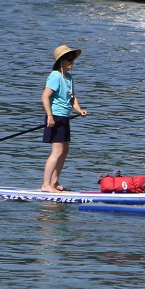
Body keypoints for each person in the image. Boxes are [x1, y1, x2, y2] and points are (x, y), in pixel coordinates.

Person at [41, 44, 87, 193]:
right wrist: (49, 116)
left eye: (72, 59)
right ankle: (46, 185)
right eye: (68, 59)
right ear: (60, 61)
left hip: (64, 117)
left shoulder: (69, 77)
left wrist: (79, 110)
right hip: (55, 117)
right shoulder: (55, 76)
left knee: (64, 150)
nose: (71, 62)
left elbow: (72, 98)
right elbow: (45, 97)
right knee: (57, 151)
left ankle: (54, 182)